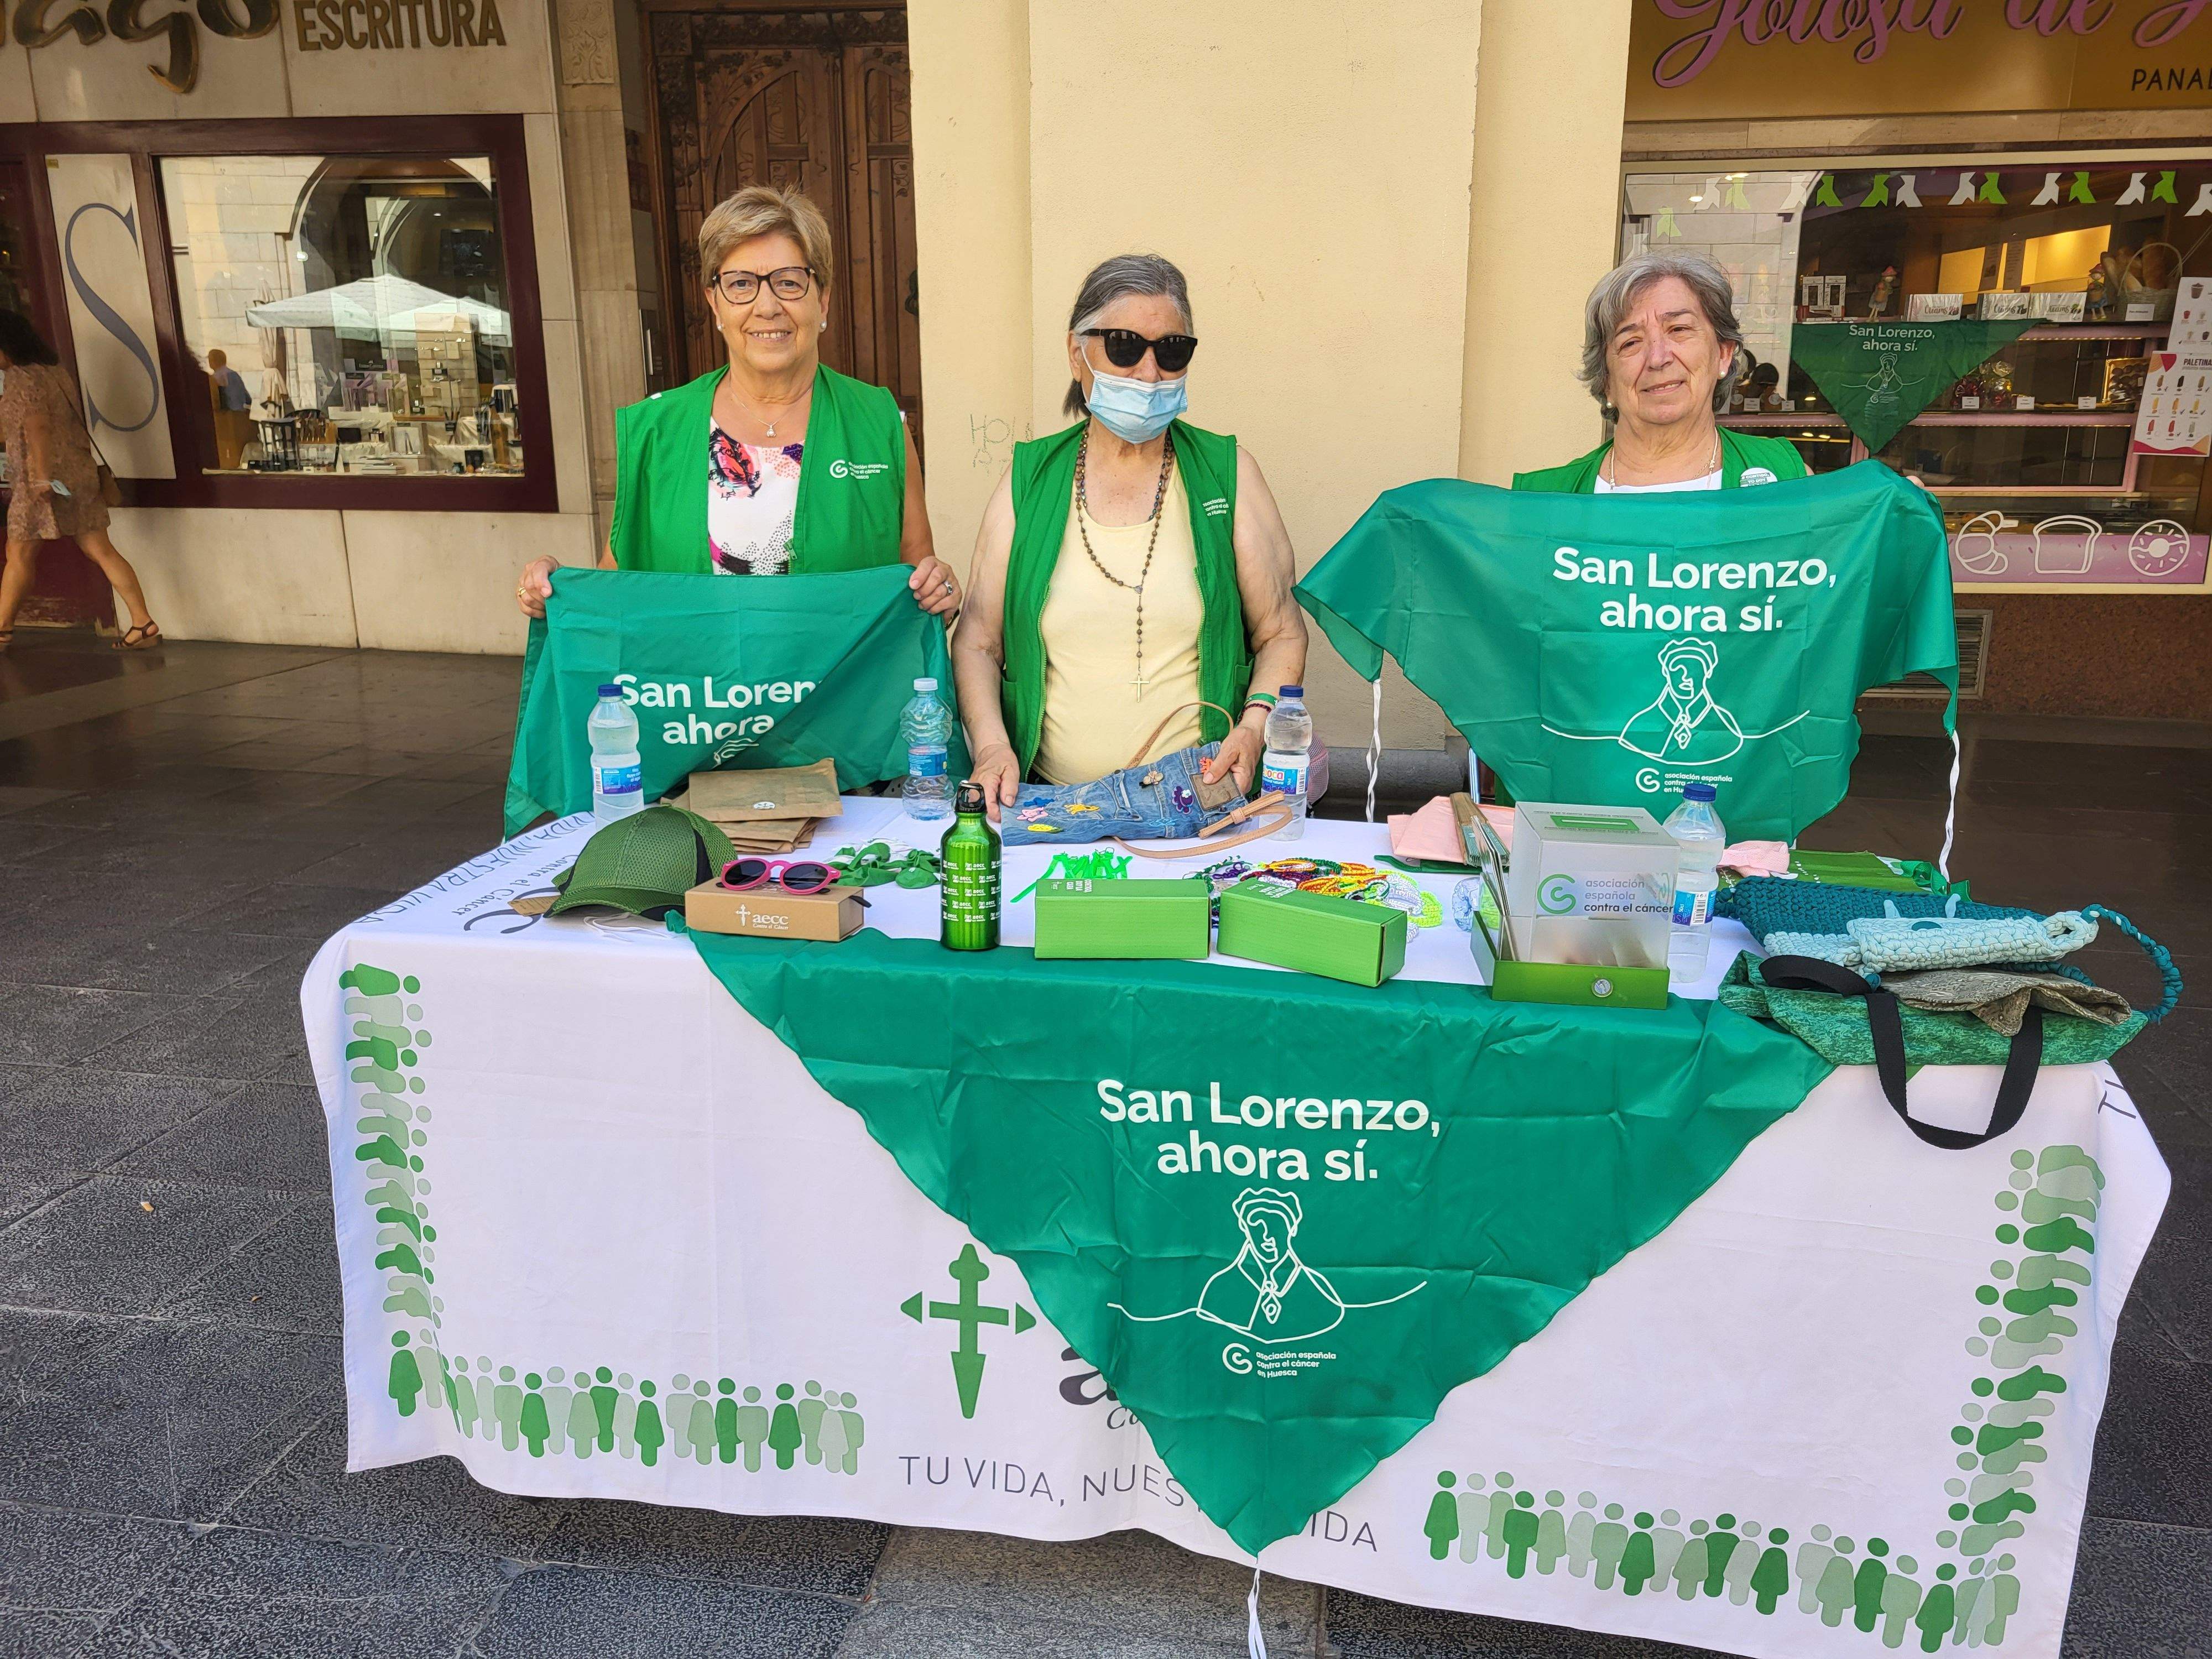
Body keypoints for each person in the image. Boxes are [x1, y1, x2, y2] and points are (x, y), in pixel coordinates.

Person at [951, 254, 1305, 818]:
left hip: (1203, 801)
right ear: (1076, 353)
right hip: (1050, 806)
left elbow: (1281, 633)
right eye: (1123, 346)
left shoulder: (1228, 473)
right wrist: (993, 746)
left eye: (1170, 351)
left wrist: (1256, 725)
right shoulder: (1029, 480)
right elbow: (977, 640)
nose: (1147, 373)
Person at [515, 184, 956, 617]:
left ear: (823, 300)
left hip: (840, 690)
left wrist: (940, 591)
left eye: (789, 282)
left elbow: (917, 583)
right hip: (697, 689)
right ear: (715, 303)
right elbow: (618, 588)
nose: (766, 307)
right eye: (741, 283)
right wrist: (557, 591)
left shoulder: (879, 423)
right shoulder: (656, 429)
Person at [1512, 251, 1807, 494]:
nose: (1657, 358)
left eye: (1679, 329)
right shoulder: (1543, 502)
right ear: (1606, 381)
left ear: (1723, 354)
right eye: (1630, 342)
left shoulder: (1788, 476)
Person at [0, 310, 161, 652]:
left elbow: (38, 427)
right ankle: (143, 622)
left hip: (40, 481)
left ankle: (2, 629)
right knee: (100, 549)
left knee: (18, 552)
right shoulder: (55, 373)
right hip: (79, 472)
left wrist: (42, 476)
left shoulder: (20, 378)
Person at [205, 348, 253, 470]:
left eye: (210, 359)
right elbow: (248, 398)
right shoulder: (235, 375)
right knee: (240, 449)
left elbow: (217, 401)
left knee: (228, 450)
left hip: (226, 418)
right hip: (241, 416)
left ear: (215, 361)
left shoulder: (215, 378)